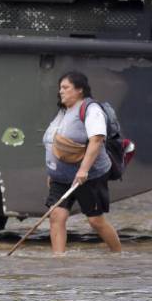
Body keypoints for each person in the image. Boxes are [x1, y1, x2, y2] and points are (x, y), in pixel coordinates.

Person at [43, 71, 122, 254]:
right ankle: (59, 261)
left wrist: (84, 170)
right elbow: (53, 142)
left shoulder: (90, 109)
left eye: (65, 87)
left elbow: (96, 140)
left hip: (88, 176)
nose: (61, 91)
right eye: (60, 88)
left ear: (79, 90)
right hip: (61, 178)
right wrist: (52, 171)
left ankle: (118, 254)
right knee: (56, 215)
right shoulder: (63, 111)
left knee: (95, 221)